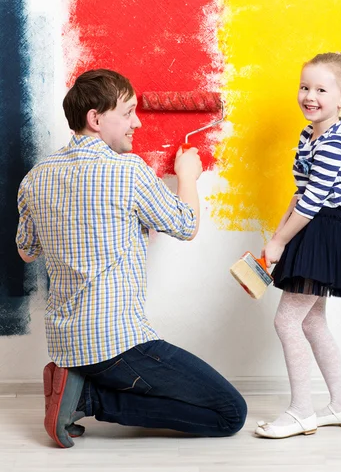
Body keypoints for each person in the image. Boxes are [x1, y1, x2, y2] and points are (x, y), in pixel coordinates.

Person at [16, 69, 247, 448]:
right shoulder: (128, 171)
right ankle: (88, 399)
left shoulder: (35, 178)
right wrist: (186, 175)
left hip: (67, 343)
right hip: (117, 344)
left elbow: (26, 252)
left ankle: (78, 384)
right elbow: (186, 226)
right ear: (95, 118)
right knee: (230, 413)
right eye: (127, 112)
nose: (136, 122)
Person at [255, 52, 341, 439]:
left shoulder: (334, 142)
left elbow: (313, 201)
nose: (309, 95)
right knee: (311, 320)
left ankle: (301, 411)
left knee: (286, 319)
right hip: (311, 230)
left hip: (323, 230)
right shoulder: (310, 135)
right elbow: (300, 193)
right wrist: (275, 237)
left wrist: (279, 240)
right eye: (305, 87)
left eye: (321, 89)